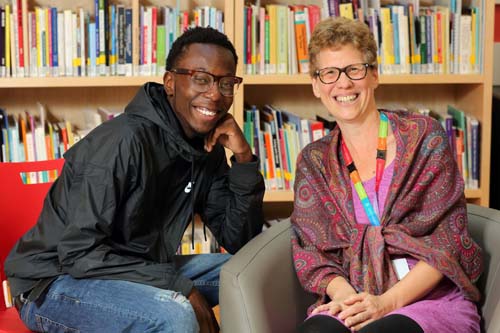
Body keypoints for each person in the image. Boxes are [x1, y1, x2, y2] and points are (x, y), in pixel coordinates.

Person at [5, 26, 265, 333]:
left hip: (136, 267)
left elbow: (239, 240)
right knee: (176, 314)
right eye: (201, 78)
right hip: (54, 284)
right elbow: (79, 254)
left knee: (251, 274)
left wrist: (244, 159)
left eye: (226, 83)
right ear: (171, 82)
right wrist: (179, 286)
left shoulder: (207, 145)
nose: (214, 94)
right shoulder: (122, 142)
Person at [291, 17, 483, 333]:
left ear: (374, 75)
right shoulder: (313, 161)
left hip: (427, 298)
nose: (343, 84)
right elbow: (312, 253)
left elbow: (448, 240)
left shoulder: (425, 138)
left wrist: (386, 303)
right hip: (354, 292)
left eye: (354, 70)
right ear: (316, 85)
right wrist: (350, 300)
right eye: (329, 73)